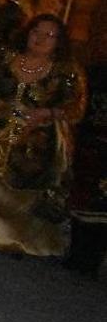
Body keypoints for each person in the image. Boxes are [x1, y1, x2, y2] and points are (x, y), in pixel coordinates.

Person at [0, 14, 85, 256]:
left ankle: (19, 237)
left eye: (50, 35)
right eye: (36, 31)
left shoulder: (66, 72)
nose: (41, 39)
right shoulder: (5, 60)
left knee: (31, 163)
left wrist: (45, 113)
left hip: (40, 133)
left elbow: (75, 108)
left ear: (59, 42)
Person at [67, 33, 107, 278]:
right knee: (83, 196)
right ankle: (77, 254)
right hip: (91, 141)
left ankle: (91, 259)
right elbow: (79, 106)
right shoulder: (94, 72)